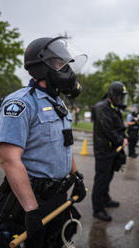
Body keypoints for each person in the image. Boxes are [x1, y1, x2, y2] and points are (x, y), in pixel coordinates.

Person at [0, 36, 87, 248]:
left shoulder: (59, 104)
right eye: (59, 63)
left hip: (57, 197)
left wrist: (76, 176)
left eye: (65, 63)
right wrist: (31, 210)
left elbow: (64, 145)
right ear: (41, 66)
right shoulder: (20, 103)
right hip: (28, 201)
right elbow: (10, 160)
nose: (66, 69)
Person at [91, 81, 128, 221]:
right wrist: (121, 140)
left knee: (109, 175)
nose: (122, 99)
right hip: (103, 150)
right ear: (113, 95)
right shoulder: (102, 108)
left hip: (113, 149)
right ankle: (98, 209)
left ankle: (105, 199)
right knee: (101, 179)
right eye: (120, 96)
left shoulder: (114, 107)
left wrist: (124, 137)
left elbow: (118, 127)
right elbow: (108, 129)